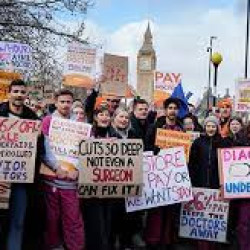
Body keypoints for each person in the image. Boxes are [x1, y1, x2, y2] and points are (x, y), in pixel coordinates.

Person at [0, 79, 42, 250]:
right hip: (0, 179)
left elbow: (43, 151)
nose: (19, 95)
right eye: (15, 91)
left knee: (18, 222)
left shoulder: (33, 118)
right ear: (9, 93)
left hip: (21, 181)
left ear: (26, 95)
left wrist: (39, 137)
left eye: (22, 92)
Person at [41, 89, 84, 250]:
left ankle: (75, 246)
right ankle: (54, 245)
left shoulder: (79, 124)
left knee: (73, 218)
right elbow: (44, 148)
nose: (66, 105)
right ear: (56, 102)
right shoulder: (47, 121)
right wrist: (56, 167)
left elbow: (85, 150)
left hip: (71, 181)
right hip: (51, 178)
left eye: (68, 102)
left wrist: (78, 169)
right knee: (52, 218)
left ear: (72, 103)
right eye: (62, 101)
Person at [144, 97, 183, 249]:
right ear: (166, 110)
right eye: (170, 108)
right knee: (156, 209)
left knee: (170, 209)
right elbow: (148, 146)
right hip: (158, 173)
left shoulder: (181, 130)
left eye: (175, 108)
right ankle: (153, 240)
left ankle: (168, 240)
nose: (173, 111)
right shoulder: (155, 127)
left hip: (174, 175)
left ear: (178, 111)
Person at [188, 116, 227, 250]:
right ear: (204, 127)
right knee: (200, 215)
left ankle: (213, 244)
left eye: (213, 126)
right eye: (208, 126)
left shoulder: (223, 143)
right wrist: (191, 182)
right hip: (200, 183)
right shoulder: (198, 142)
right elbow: (192, 163)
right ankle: (200, 244)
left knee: (213, 217)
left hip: (216, 184)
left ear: (217, 128)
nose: (211, 129)